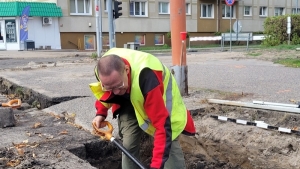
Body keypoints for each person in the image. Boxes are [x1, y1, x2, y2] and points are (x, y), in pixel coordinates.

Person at [89, 48, 196, 169]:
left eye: (119, 85)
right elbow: (106, 93)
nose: (116, 92)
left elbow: (162, 126)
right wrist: (100, 113)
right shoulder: (103, 71)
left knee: (169, 146)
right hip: (128, 101)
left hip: (158, 97)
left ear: (127, 70)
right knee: (128, 146)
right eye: (110, 87)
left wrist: (155, 166)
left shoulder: (147, 76)